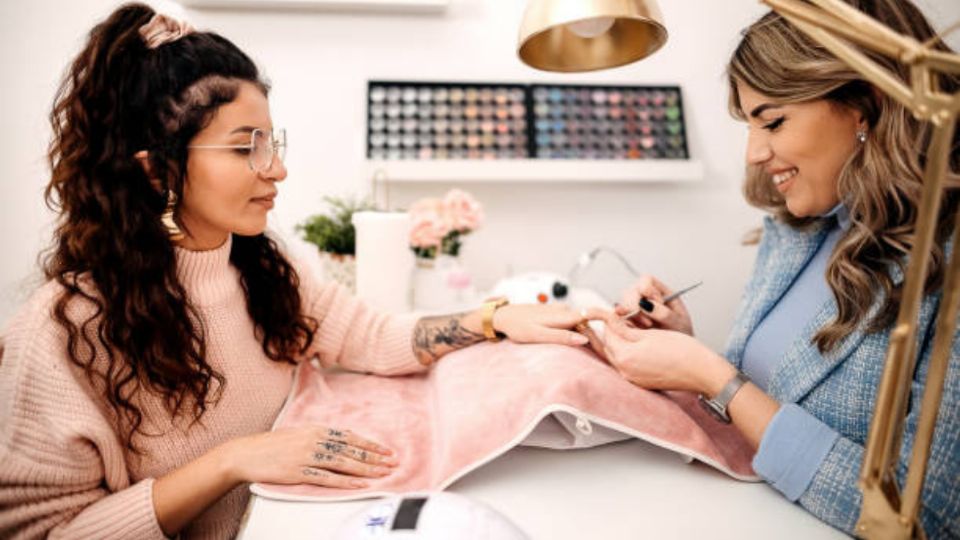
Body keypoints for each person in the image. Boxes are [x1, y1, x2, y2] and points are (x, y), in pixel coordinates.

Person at [0, 4, 591, 538]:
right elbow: (43, 533)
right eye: (245, 148)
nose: (276, 169)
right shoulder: (63, 332)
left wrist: (497, 318)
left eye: (271, 142)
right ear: (157, 171)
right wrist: (234, 461)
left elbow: (371, 336)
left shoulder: (260, 269)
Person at [587, 0, 959, 536]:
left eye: (774, 122)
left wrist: (714, 377)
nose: (753, 153)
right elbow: (766, 396)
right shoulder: (796, 229)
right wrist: (688, 351)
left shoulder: (944, 263)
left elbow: (924, 518)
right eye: (749, 125)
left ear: (868, 104)